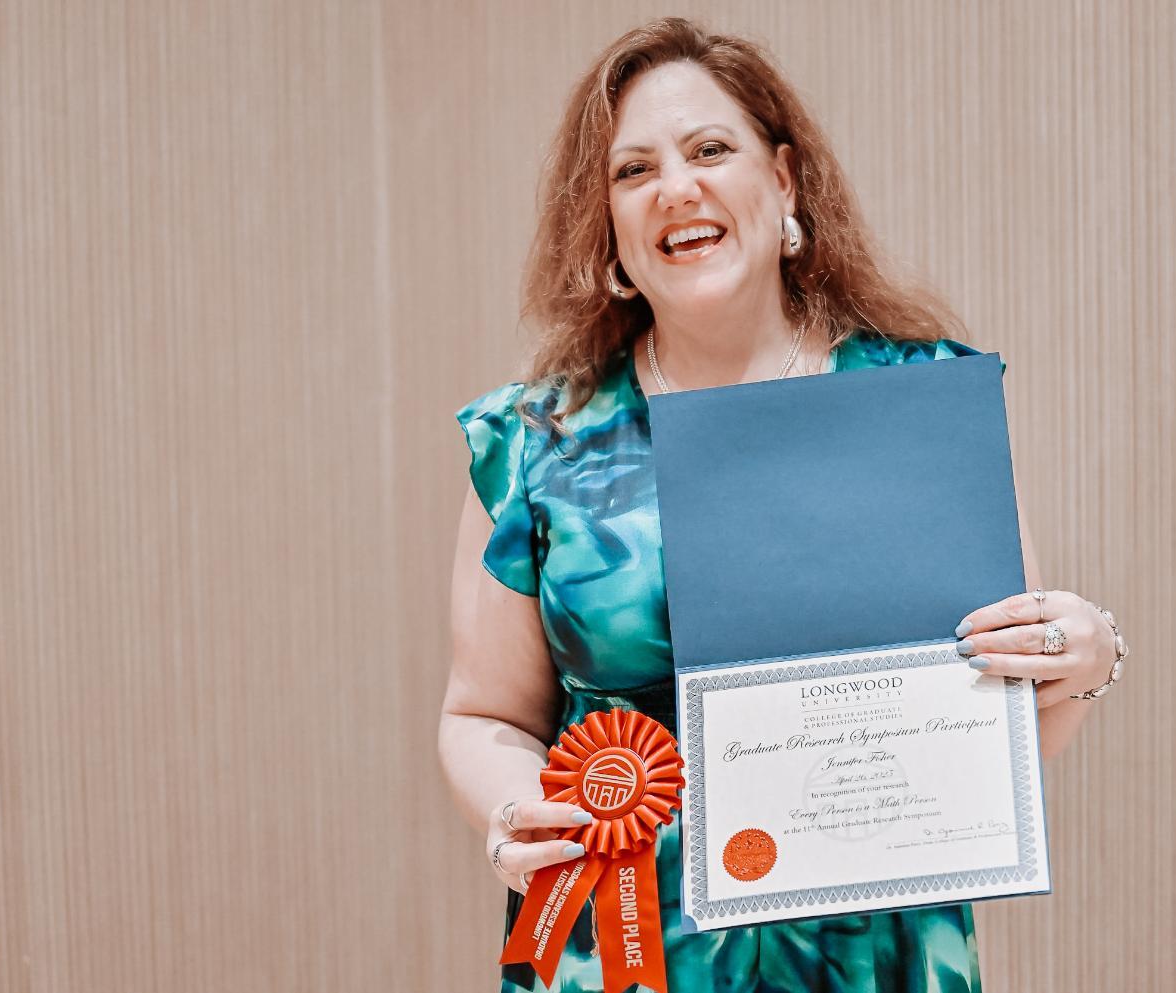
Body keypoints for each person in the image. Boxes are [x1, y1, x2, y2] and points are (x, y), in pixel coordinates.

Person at [440, 16, 1128, 993]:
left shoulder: (917, 402)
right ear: (608, 230)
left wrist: (1081, 655)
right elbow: (482, 718)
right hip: (623, 953)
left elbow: (1010, 728)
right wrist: (521, 816)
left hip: (869, 959)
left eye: (709, 150)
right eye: (632, 172)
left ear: (784, 180)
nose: (675, 187)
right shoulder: (535, 443)